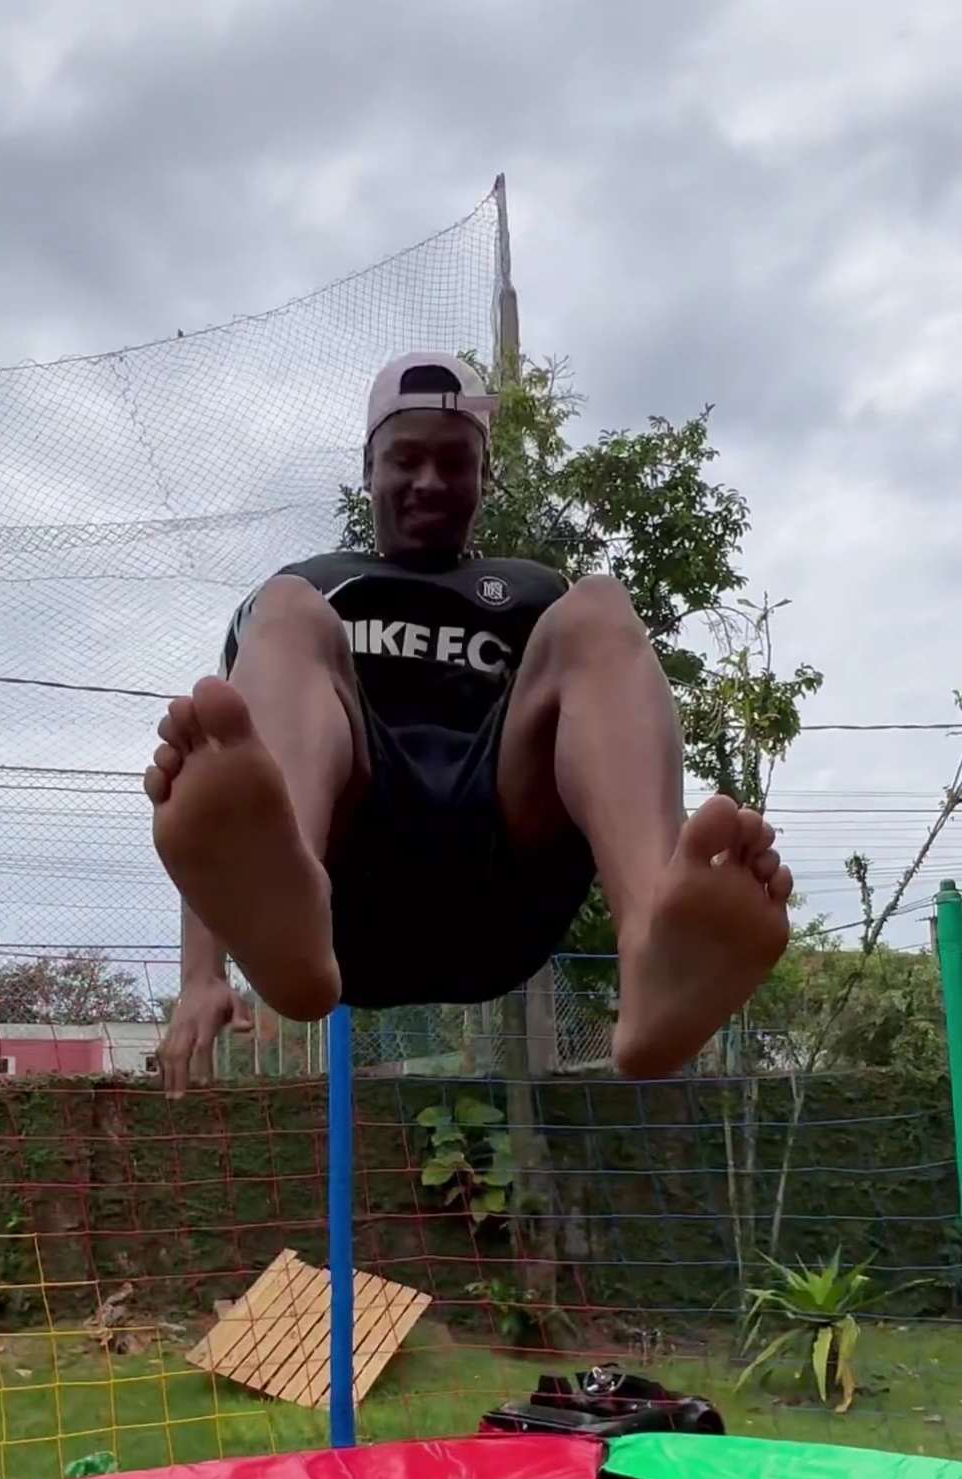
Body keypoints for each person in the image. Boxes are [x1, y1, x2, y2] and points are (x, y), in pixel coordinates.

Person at [147, 351, 792, 1096]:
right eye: (406, 459)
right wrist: (201, 975)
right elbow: (229, 792)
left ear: (484, 477)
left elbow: (607, 736)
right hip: (345, 889)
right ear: (369, 469)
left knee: (598, 606)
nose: (429, 480)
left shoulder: (531, 595)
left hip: (498, 880)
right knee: (287, 607)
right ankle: (287, 918)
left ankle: (653, 944)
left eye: (455, 463)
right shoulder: (317, 589)